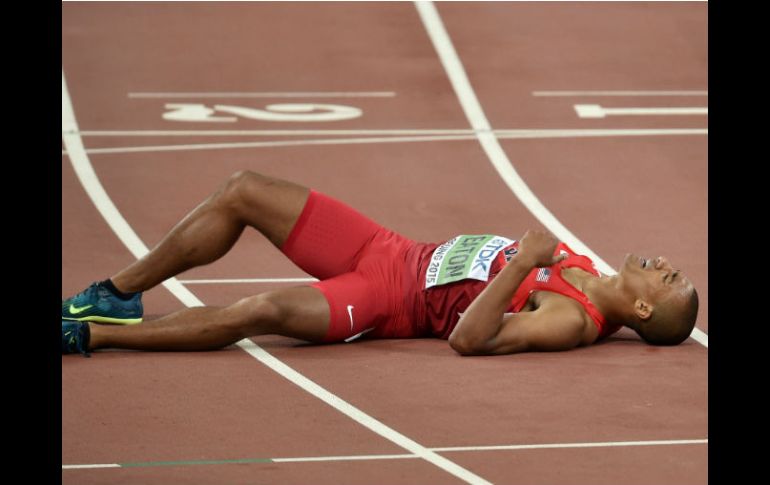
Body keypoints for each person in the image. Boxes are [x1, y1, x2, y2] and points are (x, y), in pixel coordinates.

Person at [61, 171, 699, 357]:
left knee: (260, 311)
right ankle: (112, 294)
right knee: (242, 191)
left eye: (667, 278)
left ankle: (93, 333)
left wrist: (521, 265)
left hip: (386, 300)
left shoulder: (572, 320)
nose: (664, 263)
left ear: (641, 309)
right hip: (390, 249)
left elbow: (469, 340)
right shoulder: (589, 267)